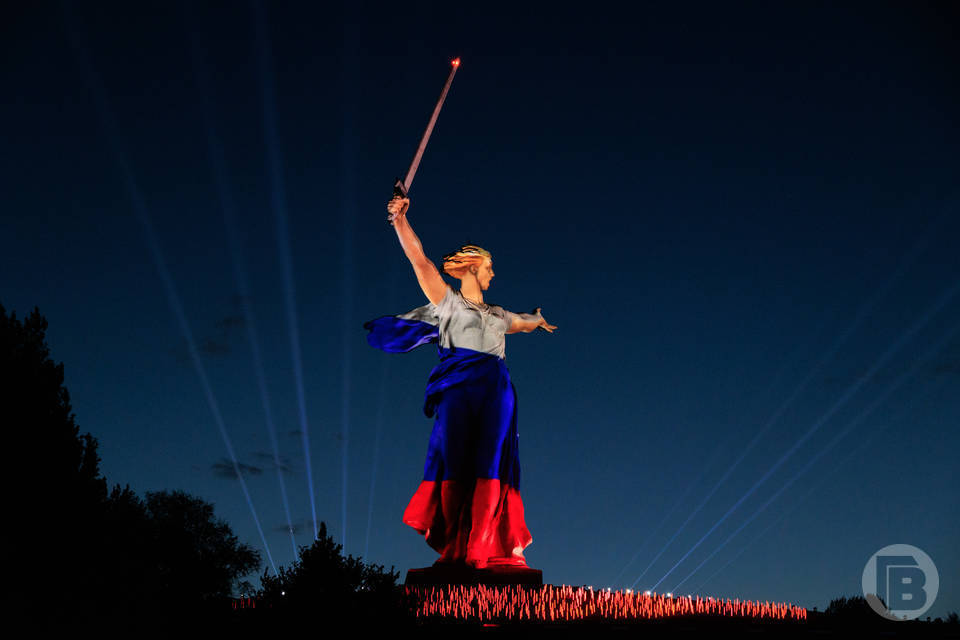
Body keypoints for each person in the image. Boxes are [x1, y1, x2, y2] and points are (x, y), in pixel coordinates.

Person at [364, 194, 556, 570]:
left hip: (496, 388)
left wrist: (537, 319)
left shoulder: (498, 314)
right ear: (471, 266)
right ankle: (455, 547)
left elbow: (523, 321)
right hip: (457, 385)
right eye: (489, 267)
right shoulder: (447, 302)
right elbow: (419, 260)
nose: (493, 274)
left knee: (490, 465)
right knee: (454, 463)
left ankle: (478, 550)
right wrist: (400, 220)